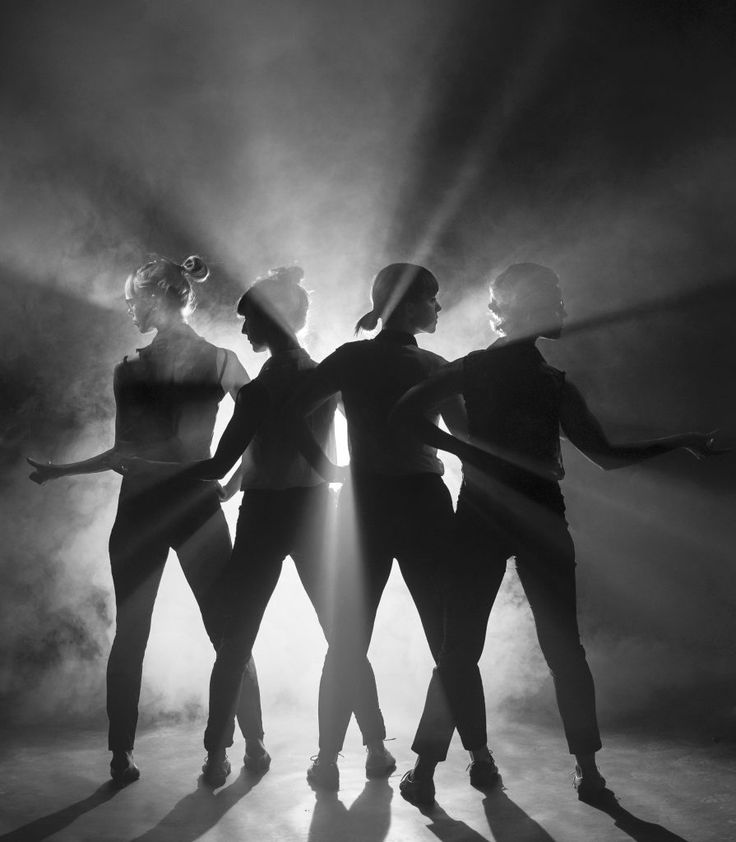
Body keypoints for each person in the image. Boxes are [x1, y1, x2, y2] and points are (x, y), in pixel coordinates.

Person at [391, 262, 720, 804]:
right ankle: (587, 773)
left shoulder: (480, 369)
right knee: (562, 649)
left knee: (459, 648)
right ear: (526, 307)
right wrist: (681, 440)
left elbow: (404, 414)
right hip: (536, 511)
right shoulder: (548, 382)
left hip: (482, 509)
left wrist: (464, 452)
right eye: (556, 298)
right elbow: (607, 457)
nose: (564, 308)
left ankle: (425, 769)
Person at [129, 265, 396, 787]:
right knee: (341, 635)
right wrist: (332, 471)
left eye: (249, 320)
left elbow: (220, 461)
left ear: (272, 319)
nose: (245, 332)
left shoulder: (266, 386)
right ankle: (375, 747)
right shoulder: (322, 373)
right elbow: (276, 452)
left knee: (235, 638)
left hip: (268, 517)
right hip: (314, 511)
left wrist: (149, 470)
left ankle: (215, 756)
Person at [27, 255, 265, 785]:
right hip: (196, 507)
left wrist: (62, 471)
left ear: (157, 299)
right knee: (227, 631)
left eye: (134, 299)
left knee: (133, 636)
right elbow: (258, 427)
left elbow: (123, 454)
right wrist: (230, 481)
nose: (130, 308)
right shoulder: (223, 360)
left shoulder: (129, 371)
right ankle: (254, 744)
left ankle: (121, 757)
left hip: (141, 511)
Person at [291, 262, 467, 791]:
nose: (438, 307)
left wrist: (327, 470)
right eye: (432, 299)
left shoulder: (354, 357)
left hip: (364, 504)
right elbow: (470, 440)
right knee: (448, 641)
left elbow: (294, 410)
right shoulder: (435, 364)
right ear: (409, 306)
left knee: (346, 641)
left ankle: (326, 760)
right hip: (422, 504)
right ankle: (468, 756)